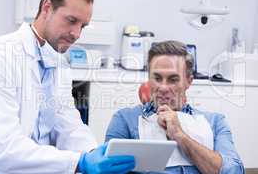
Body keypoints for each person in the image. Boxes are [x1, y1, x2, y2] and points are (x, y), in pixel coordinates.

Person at [0, 0, 135, 173]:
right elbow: (5, 150)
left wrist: (93, 151)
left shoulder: (58, 63)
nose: (76, 34)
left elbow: (68, 125)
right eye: (71, 21)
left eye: (82, 26)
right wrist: (79, 162)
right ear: (47, 8)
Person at [105, 40, 245, 174]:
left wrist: (179, 135)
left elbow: (234, 171)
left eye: (173, 79)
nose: (163, 87)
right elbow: (106, 168)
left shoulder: (215, 122)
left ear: (188, 82)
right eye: (157, 78)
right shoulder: (125, 120)